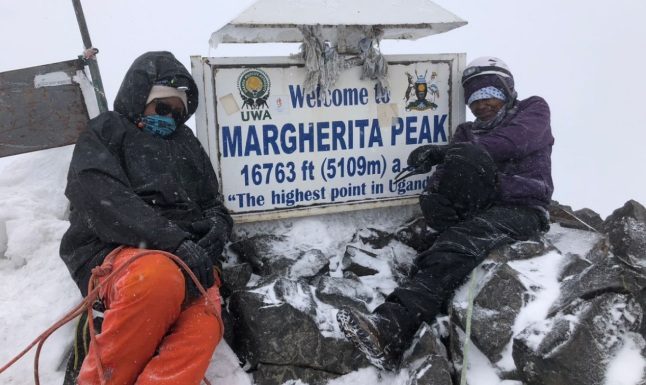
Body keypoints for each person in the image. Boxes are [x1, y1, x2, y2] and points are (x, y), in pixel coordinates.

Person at [337, 56, 554, 370]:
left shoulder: (532, 110)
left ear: (507, 90)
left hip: (522, 208)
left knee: (455, 246)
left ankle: (391, 328)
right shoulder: (466, 133)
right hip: (480, 211)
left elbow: (510, 143)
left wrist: (443, 152)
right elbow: (447, 174)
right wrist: (435, 200)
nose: (481, 104)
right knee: (441, 245)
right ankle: (414, 327)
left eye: (488, 93)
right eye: (474, 98)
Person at [59, 51, 233, 385]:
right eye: (162, 108)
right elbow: (102, 198)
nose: (169, 119)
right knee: (156, 280)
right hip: (120, 250)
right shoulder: (107, 131)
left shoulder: (187, 144)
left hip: (188, 260)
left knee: (206, 322)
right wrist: (174, 241)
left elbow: (212, 202)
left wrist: (217, 229)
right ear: (142, 99)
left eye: (177, 113)